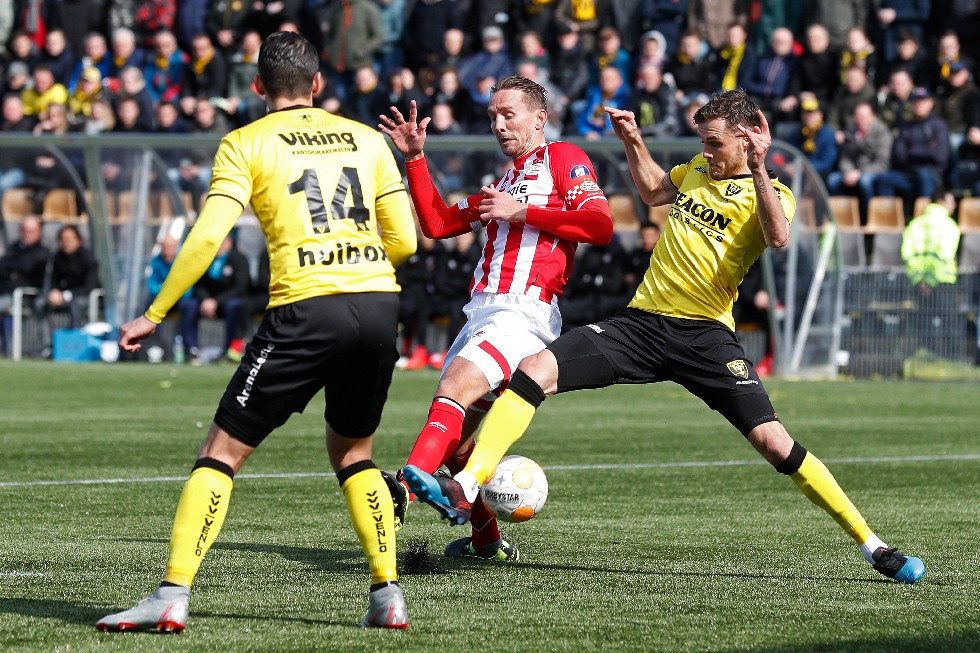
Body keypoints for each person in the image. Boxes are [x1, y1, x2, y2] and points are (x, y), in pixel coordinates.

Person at [401, 89, 927, 587]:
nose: (707, 153)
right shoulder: (697, 169)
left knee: (774, 442)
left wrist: (760, 169)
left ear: (748, 137)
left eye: (715, 143)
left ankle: (872, 545)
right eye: (703, 143)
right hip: (643, 324)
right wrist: (633, 141)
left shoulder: (773, 192)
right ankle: (467, 483)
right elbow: (654, 190)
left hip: (705, 336)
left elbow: (778, 236)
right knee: (535, 370)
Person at [96, 30, 417, 632]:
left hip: (307, 308)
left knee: (221, 452)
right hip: (378, 304)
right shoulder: (367, 138)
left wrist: (154, 314)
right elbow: (404, 241)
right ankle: (387, 595)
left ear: (256, 86)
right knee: (355, 453)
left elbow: (207, 237)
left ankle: (171, 595)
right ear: (317, 83)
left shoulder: (245, 142)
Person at [378, 76, 612, 561]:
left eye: (509, 115)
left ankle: (401, 489)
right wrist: (415, 159)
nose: (499, 125)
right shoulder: (504, 182)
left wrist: (523, 213)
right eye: (492, 117)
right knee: (459, 439)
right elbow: (437, 224)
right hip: (484, 311)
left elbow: (600, 224)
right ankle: (486, 543)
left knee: (453, 388)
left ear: (539, 118)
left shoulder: (562, 158)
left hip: (522, 311)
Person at [35, 224, 100, 357]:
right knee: (40, 303)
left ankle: (74, 346)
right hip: (63, 296)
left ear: (78, 240)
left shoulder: (88, 257)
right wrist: (53, 292)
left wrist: (65, 295)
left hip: (84, 296)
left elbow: (89, 286)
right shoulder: (58, 257)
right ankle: (48, 346)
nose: (66, 242)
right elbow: (53, 279)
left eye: (69, 239)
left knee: (76, 305)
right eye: (63, 239)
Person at [0, 216, 49, 355]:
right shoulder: (14, 248)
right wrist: (15, 272)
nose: (27, 234)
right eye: (25, 230)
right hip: (5, 291)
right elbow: (2, 266)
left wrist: (14, 272)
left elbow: (27, 267)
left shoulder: (42, 252)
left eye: (31, 231)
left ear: (39, 232)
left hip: (25, 296)